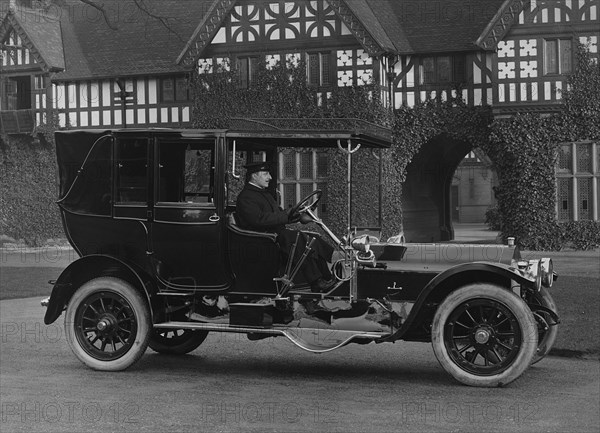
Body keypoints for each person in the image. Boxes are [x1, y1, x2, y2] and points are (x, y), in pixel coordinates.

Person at [235, 161, 335, 292]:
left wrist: (299, 216)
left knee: (313, 238)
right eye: (265, 174)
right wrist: (288, 215)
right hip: (261, 239)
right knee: (296, 239)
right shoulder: (246, 197)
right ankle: (316, 281)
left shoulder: (263, 194)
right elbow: (259, 220)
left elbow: (279, 214)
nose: (270, 177)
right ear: (254, 176)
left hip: (274, 234)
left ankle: (327, 277)